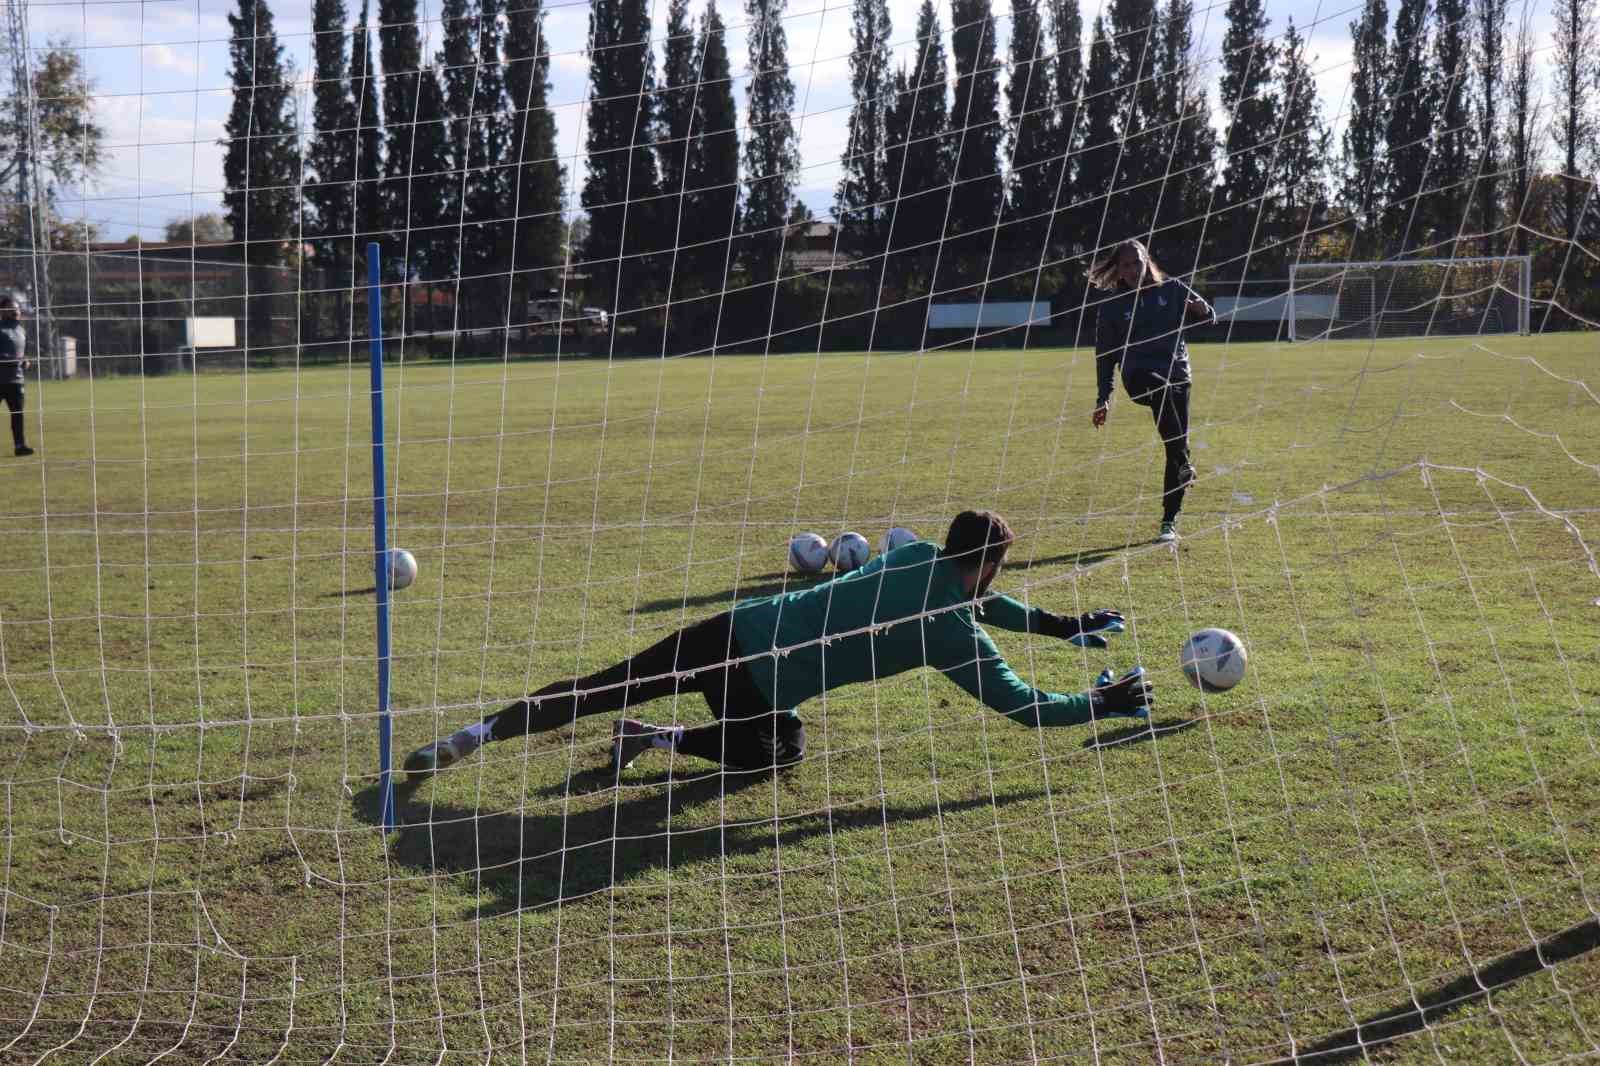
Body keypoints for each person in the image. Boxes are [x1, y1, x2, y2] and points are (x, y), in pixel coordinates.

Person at [404, 510, 1155, 778]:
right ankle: (659, 741)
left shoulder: (913, 553)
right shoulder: (952, 635)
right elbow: (1023, 706)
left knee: (611, 680)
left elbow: (986, 601)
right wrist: (1097, 701)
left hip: (733, 628)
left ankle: (474, 733)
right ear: (987, 565)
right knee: (783, 748)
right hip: (757, 688)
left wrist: (1060, 625)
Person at [1088, 239, 1215, 542]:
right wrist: (1103, 397)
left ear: (1148, 261)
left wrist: (1202, 308)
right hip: (1139, 377)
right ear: (1118, 270)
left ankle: (1169, 521)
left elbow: (1210, 317)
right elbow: (1105, 355)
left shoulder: (1173, 290)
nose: (1132, 270)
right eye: (1126, 265)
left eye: (1137, 262)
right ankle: (1184, 461)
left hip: (1179, 376)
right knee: (1162, 396)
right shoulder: (1112, 306)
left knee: (1175, 446)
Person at [0, 295, 34, 457]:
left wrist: (25, 360)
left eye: (17, 307)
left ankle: (20, 446)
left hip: (16, 380)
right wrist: (13, 360)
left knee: (17, 414)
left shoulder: (21, 330)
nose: (16, 310)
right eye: (11, 308)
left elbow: (20, 354)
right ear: (2, 311)